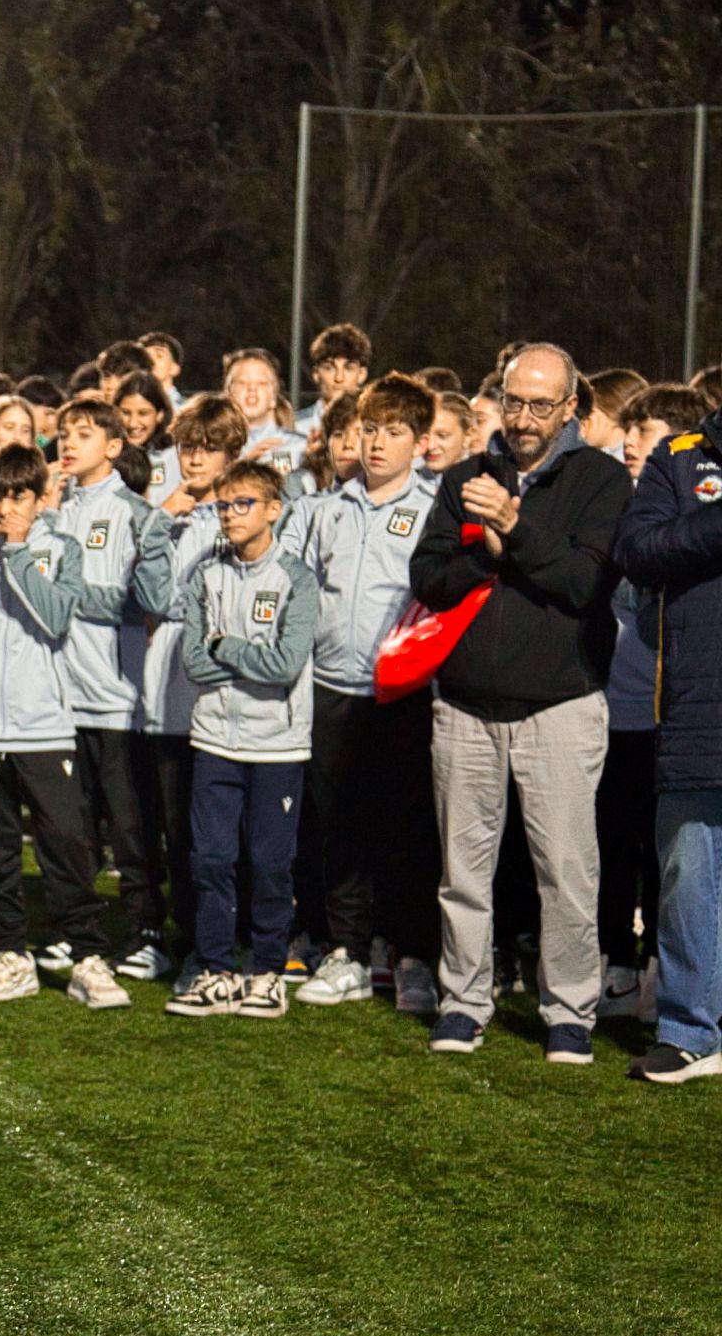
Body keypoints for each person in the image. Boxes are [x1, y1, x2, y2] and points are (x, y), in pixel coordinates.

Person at [408, 343, 629, 1061]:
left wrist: (514, 523)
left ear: (571, 408)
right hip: (465, 704)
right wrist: (486, 551)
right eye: (515, 400)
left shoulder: (599, 479)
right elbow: (429, 577)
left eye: (542, 404)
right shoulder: (466, 473)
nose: (526, 417)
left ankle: (569, 1011)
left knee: (566, 870)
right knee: (462, 870)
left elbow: (581, 584)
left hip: (560, 704)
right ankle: (463, 1000)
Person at [287, 374, 442, 1014]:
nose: (377, 444)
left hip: (402, 692)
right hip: (332, 687)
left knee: (406, 831)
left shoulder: (434, 508)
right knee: (338, 828)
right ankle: (346, 951)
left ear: (421, 442)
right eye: (370, 430)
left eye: (394, 432)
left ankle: (411, 958)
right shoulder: (327, 507)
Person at [0, 444, 114, 1006]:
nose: (5, 507)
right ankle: (12, 955)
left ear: (41, 498)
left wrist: (18, 551)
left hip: (44, 728)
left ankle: (89, 957)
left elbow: (57, 616)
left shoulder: (59, 550)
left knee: (65, 846)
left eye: (17, 495)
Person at [167, 460, 317, 1020]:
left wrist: (225, 645)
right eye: (223, 506)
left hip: (277, 745)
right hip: (214, 739)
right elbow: (192, 663)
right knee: (211, 859)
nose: (229, 515)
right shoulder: (208, 575)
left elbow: (284, 664)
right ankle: (215, 969)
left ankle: (268, 972)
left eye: (242, 504)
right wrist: (229, 656)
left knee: (271, 863)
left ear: (273, 510)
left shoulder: (297, 579)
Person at [37, 398, 173, 983]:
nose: (69, 443)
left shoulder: (136, 513)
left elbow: (143, 601)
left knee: (129, 826)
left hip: (118, 698)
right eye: (64, 433)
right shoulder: (54, 508)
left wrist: (67, 596)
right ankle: (81, 933)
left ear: (115, 447)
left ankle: (148, 933)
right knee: (73, 828)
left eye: (85, 434)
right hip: (60, 697)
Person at [614, 398, 722, 1083]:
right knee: (690, 874)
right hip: (697, 707)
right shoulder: (680, 457)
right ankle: (689, 1030)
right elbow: (638, 549)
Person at [597, 383, 708, 1018]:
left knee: (671, 860)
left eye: (645, 432)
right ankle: (616, 963)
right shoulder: (619, 501)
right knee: (613, 844)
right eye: (630, 431)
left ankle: (668, 973)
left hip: (675, 710)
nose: (630, 442)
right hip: (615, 708)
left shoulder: (691, 505)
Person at [141, 394, 242, 991]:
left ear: (232, 452)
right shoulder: (168, 513)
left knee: (216, 831)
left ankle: (229, 939)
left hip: (219, 695)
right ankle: (185, 935)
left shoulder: (238, 514)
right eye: (187, 447)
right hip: (165, 692)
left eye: (208, 448)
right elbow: (155, 598)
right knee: (174, 825)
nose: (195, 458)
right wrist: (160, 521)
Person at [225, 347, 309, 474]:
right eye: (242, 382)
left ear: (274, 397)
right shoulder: (212, 446)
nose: (252, 388)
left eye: (262, 383)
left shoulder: (300, 447)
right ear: (228, 393)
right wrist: (243, 463)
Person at [113, 371, 181, 503]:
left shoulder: (174, 456)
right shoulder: (108, 455)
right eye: (126, 413)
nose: (133, 423)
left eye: (143, 413)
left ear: (159, 415)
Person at [294, 322, 372, 438]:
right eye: (329, 368)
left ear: (362, 374)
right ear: (316, 374)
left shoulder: (375, 429)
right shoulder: (293, 426)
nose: (339, 378)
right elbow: (278, 456)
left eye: (348, 368)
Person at [138, 331, 186, 411]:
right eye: (145, 356)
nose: (151, 361)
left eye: (159, 356)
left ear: (174, 368)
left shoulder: (186, 410)